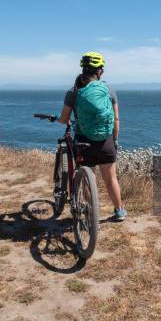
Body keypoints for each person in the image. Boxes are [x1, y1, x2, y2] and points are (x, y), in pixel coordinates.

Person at [57, 52, 127, 221]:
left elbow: (64, 119)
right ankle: (119, 211)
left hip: (83, 140)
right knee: (111, 179)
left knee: (89, 179)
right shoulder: (109, 90)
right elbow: (116, 118)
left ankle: (91, 211)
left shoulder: (73, 91)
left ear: (83, 69)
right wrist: (115, 140)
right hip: (106, 140)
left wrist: (62, 119)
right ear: (100, 71)